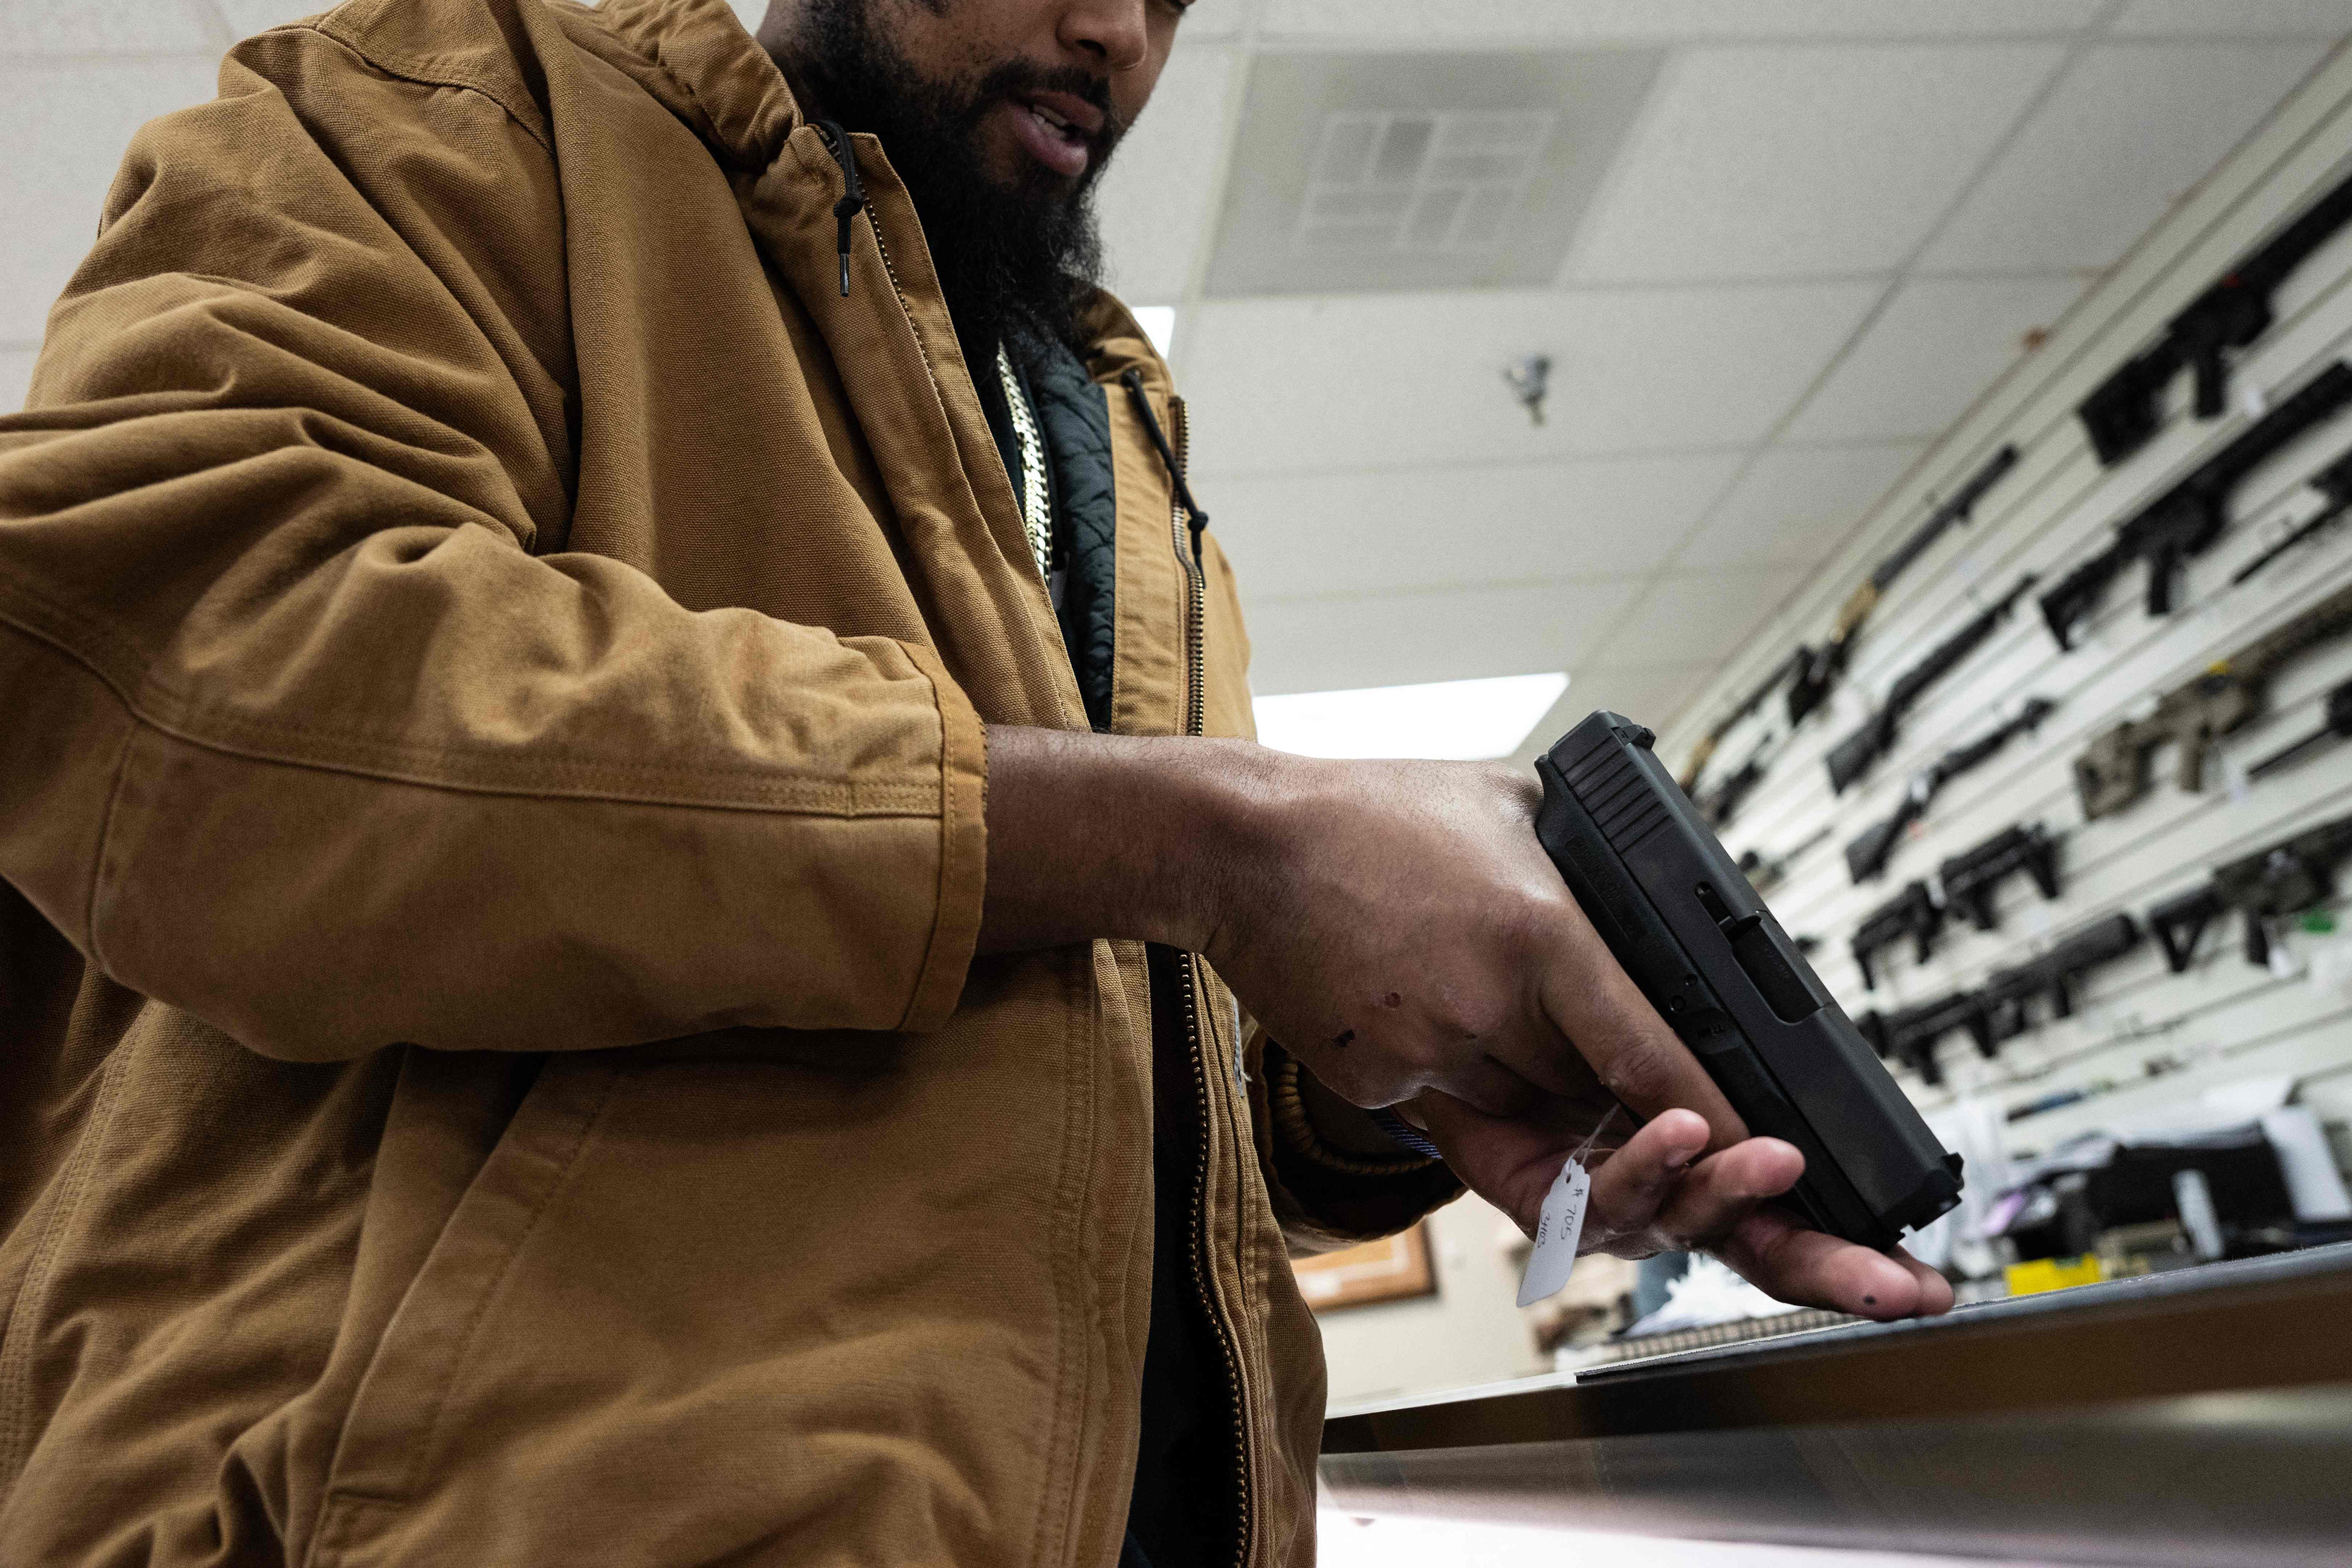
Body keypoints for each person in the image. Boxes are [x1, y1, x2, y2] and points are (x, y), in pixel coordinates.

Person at [0, 0, 1952, 1562]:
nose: (1116, 32)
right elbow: (186, 690)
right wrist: (1199, 836)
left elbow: (1110, 1106)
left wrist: (1447, 1095)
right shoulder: (446, 98)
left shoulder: (1112, 437)